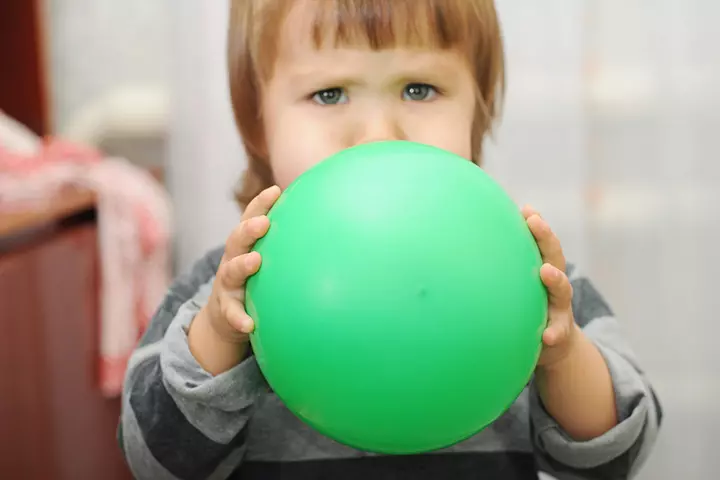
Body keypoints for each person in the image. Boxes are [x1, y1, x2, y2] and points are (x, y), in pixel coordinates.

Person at [118, 0, 662, 478]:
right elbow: (154, 461)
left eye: (419, 89)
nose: (379, 134)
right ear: (259, 126)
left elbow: (619, 455)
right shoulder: (221, 290)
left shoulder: (529, 278)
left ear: (478, 114)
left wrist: (560, 355)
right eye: (329, 93)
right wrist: (220, 334)